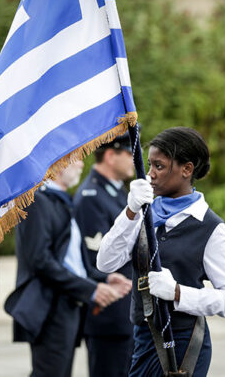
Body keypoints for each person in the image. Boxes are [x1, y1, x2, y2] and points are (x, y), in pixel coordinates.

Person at [97, 127, 225, 376]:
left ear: (186, 170)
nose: (150, 175)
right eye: (149, 165)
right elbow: (105, 262)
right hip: (143, 339)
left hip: (184, 344)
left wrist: (178, 293)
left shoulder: (210, 227)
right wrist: (131, 210)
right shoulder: (144, 213)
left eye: (159, 166)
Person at [4, 160, 125, 377]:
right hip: (50, 309)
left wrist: (103, 280)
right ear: (59, 163)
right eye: (76, 159)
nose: (81, 165)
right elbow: (40, 261)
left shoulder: (59, 201)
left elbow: (73, 262)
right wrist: (91, 290)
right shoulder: (36, 201)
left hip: (67, 306)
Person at [73, 135, 135, 377]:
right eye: (129, 154)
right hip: (109, 314)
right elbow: (94, 261)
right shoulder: (91, 196)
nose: (134, 160)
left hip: (125, 314)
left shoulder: (116, 192)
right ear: (110, 155)